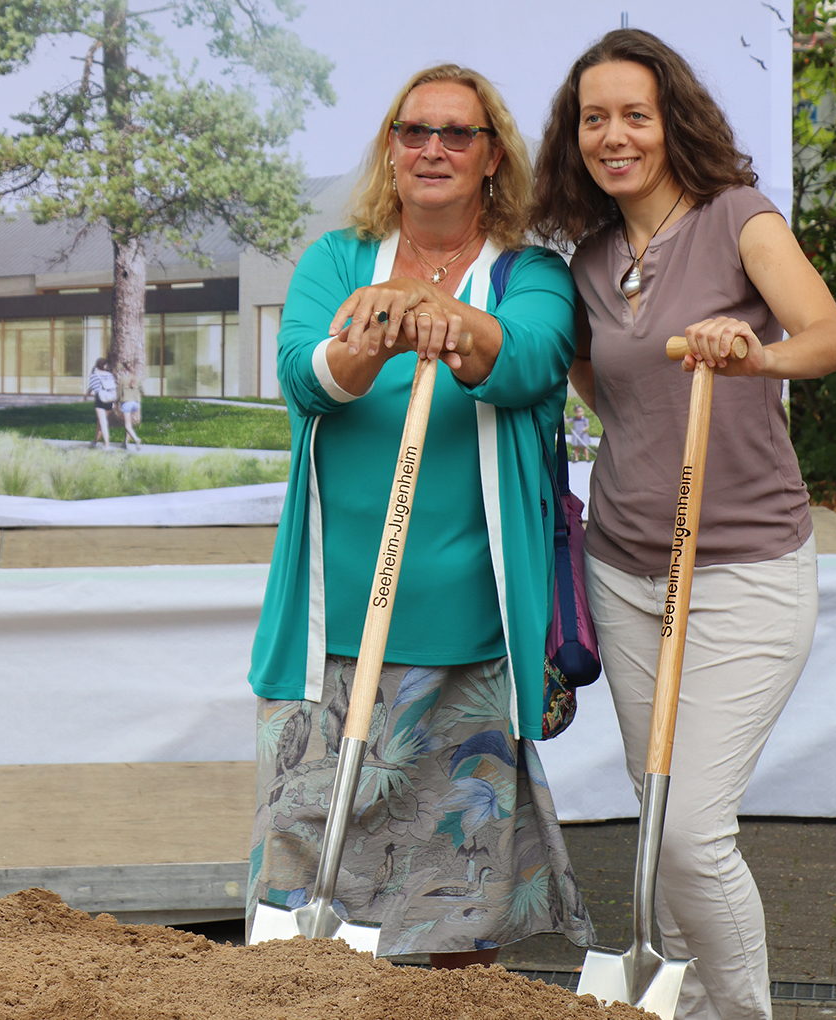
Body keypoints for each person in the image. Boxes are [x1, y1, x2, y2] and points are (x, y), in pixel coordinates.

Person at [532, 29, 836, 1020]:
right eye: (595, 118)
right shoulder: (589, 260)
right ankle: (680, 1006)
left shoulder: (738, 221)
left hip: (745, 570)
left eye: (636, 114)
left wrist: (748, 352)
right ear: (575, 135)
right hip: (626, 571)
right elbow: (599, 379)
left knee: (688, 833)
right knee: (661, 811)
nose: (614, 135)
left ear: (674, 120)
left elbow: (831, 340)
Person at [247, 63, 593, 967]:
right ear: (390, 151)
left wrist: (442, 314)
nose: (432, 148)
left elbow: (528, 359)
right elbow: (304, 377)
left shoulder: (530, 273)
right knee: (311, 885)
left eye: (457, 134)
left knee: (455, 904)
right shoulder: (335, 261)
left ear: (491, 158)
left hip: (467, 635)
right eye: (413, 132)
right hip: (335, 623)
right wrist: (371, 336)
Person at [86, 357, 116, 450]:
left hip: (100, 401)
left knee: (103, 423)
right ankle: (94, 442)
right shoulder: (109, 375)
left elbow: (91, 388)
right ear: (104, 365)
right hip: (110, 401)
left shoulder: (95, 375)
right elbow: (113, 389)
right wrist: (114, 402)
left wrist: (85, 397)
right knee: (100, 423)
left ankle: (107, 445)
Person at [117, 365, 143, 450]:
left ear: (125, 370)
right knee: (130, 424)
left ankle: (136, 439)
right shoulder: (138, 379)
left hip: (127, 402)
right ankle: (126, 443)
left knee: (127, 425)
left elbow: (119, 393)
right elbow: (142, 390)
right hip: (135, 403)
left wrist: (119, 401)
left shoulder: (122, 379)